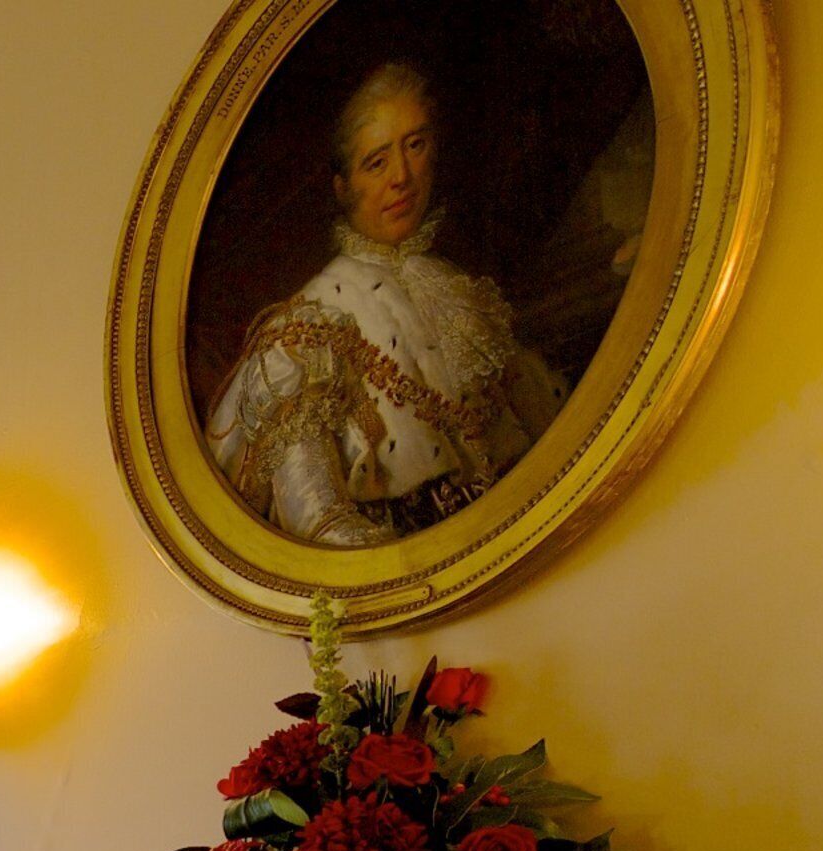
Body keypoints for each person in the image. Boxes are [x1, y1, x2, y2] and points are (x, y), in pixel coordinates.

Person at [202, 61, 572, 546]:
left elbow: (549, 439)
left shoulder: (462, 294)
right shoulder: (305, 327)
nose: (402, 176)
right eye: (376, 162)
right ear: (343, 186)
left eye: (415, 145)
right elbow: (318, 522)